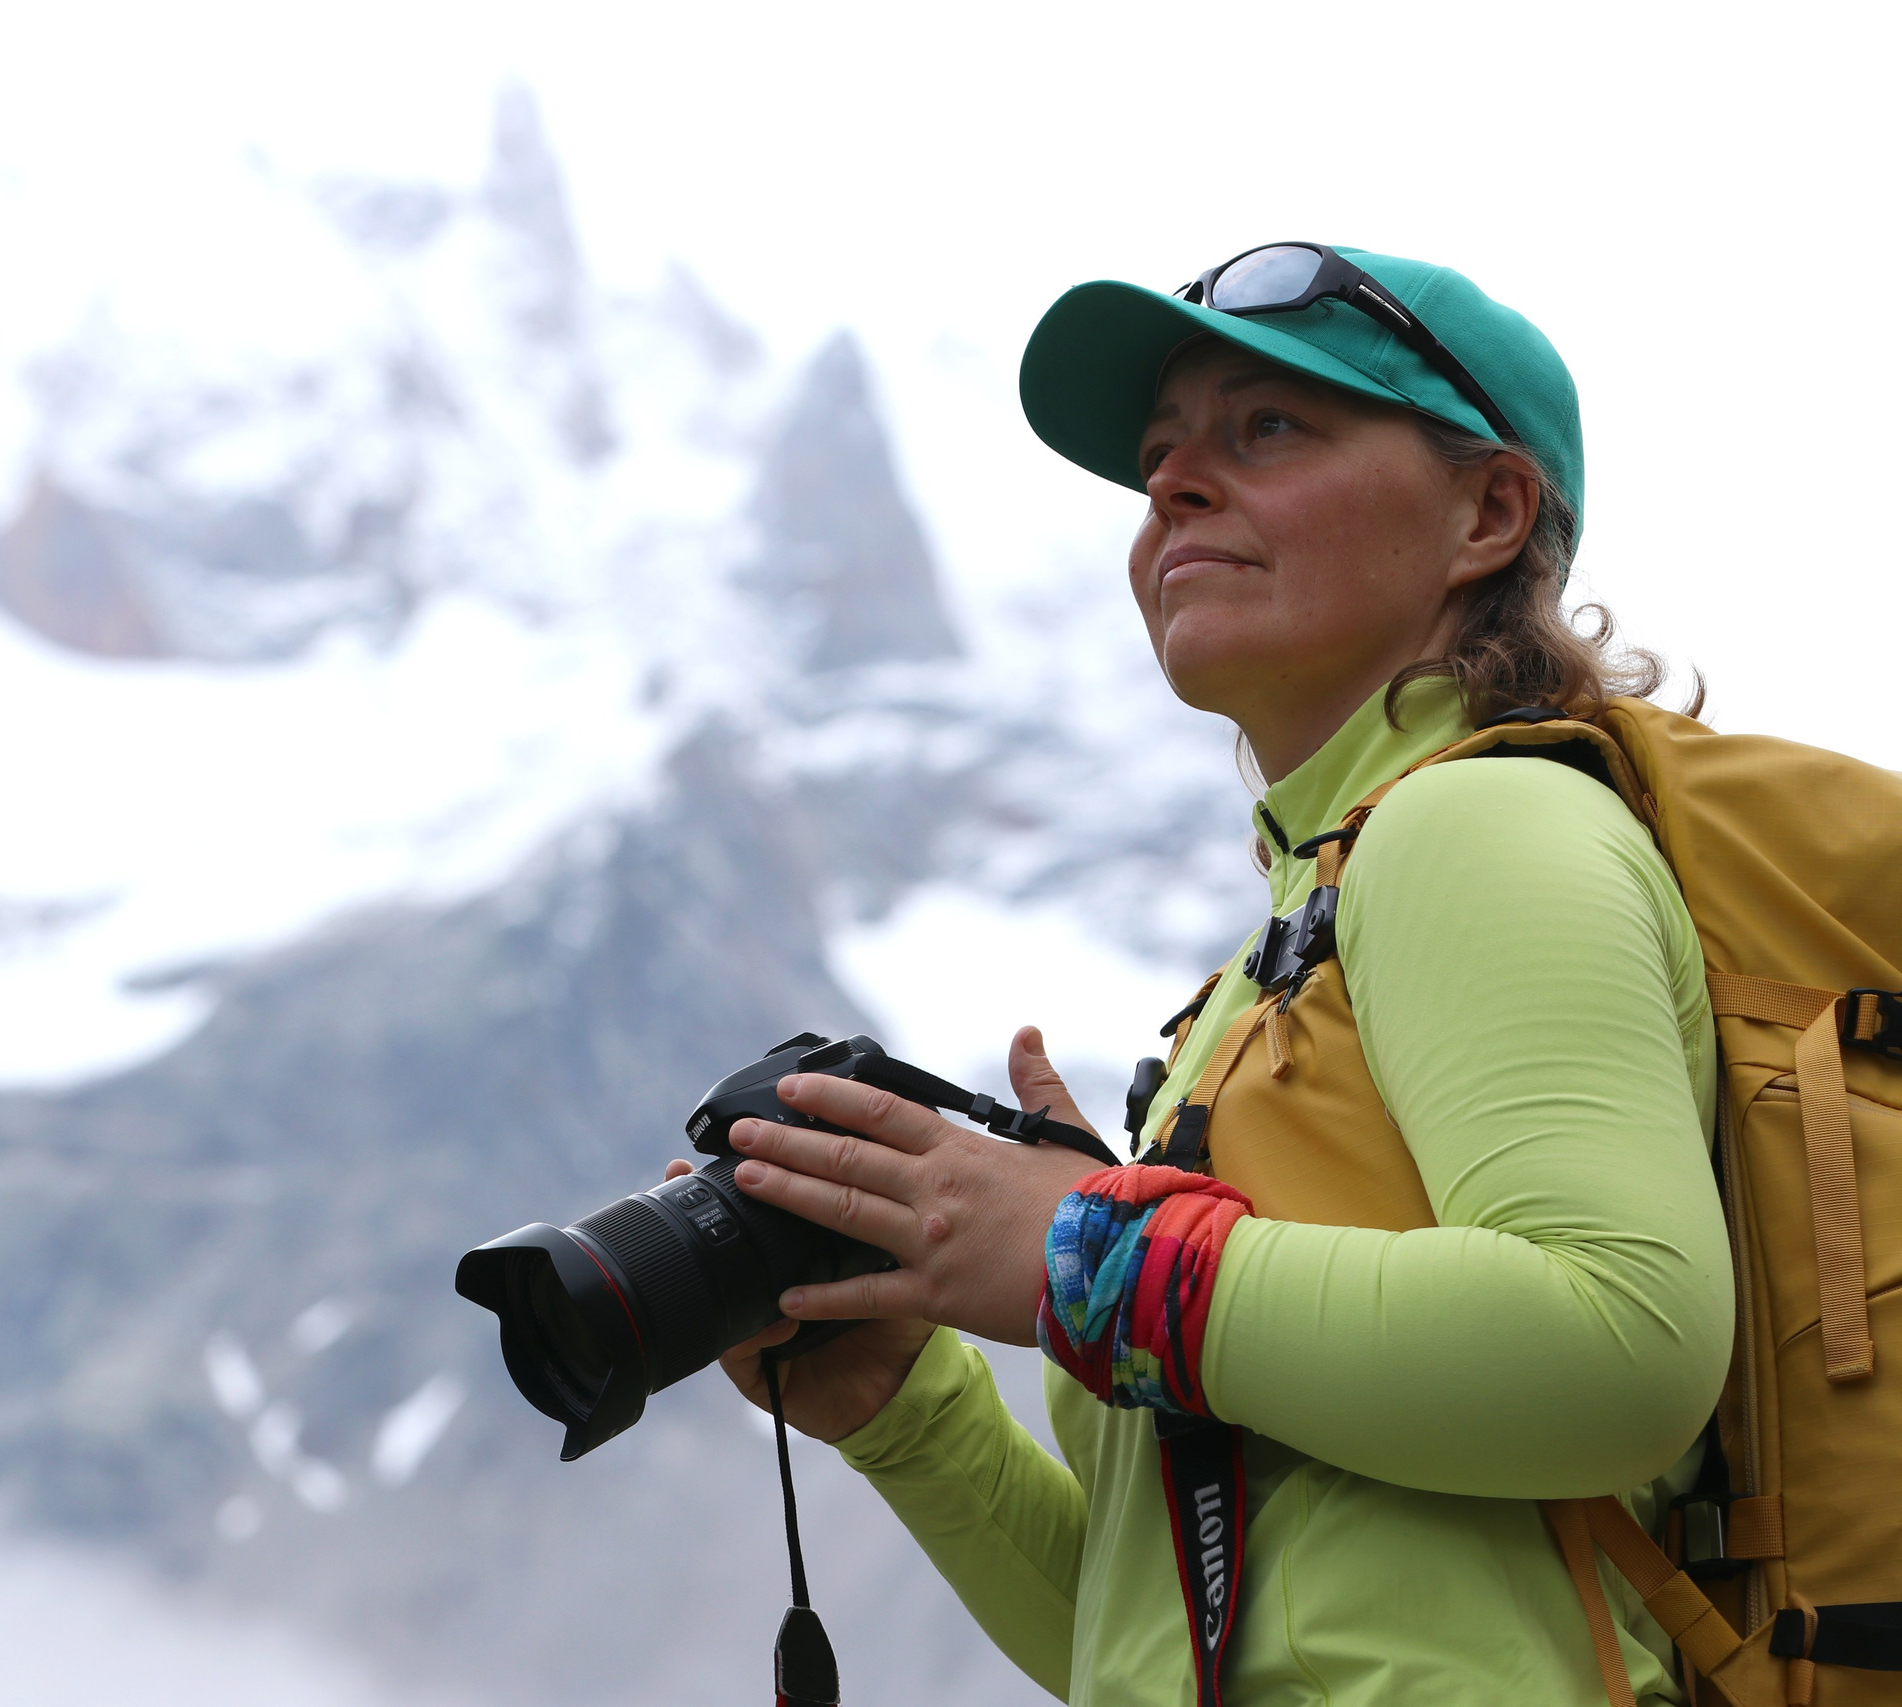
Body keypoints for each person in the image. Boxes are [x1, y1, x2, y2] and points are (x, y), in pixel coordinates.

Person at [664, 245, 1730, 1704]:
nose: (1171, 484)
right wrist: (909, 1410)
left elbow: (1624, 1342)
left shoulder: (1479, 821)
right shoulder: (1285, 959)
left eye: (1268, 426)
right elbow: (1161, 1644)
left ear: (1487, 513)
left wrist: (1091, 1254)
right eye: (1160, 457)